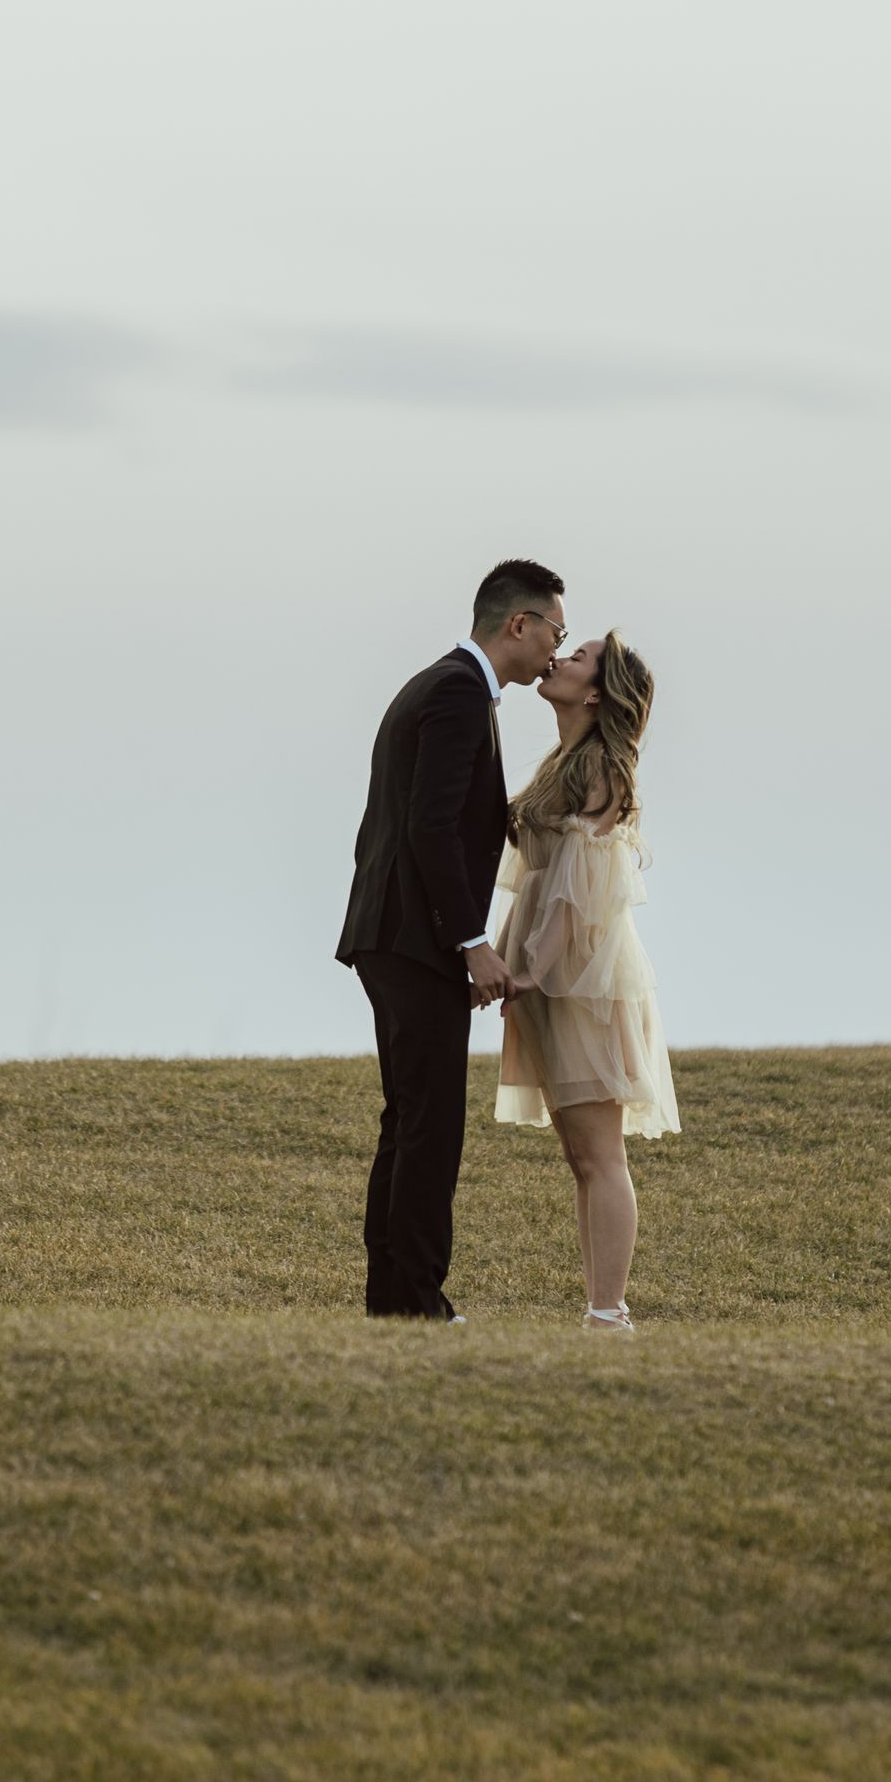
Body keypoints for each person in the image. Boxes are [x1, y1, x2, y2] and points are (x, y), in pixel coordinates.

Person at [336, 559, 567, 1319]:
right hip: (413, 939)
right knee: (430, 1126)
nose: (555, 652)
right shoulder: (459, 693)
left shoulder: (443, 686)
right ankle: (418, 1305)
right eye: (553, 633)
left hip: (395, 933)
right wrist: (470, 941)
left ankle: (393, 1300)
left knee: (409, 1121)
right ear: (517, 624)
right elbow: (429, 827)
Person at [493, 630, 676, 1331]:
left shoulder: (603, 765)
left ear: (597, 691)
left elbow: (579, 881)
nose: (560, 659)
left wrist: (535, 966)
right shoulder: (562, 762)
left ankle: (610, 1313)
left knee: (600, 1153)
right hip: (550, 969)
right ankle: (600, 1307)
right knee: (580, 1155)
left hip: (581, 978)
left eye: (579, 657)